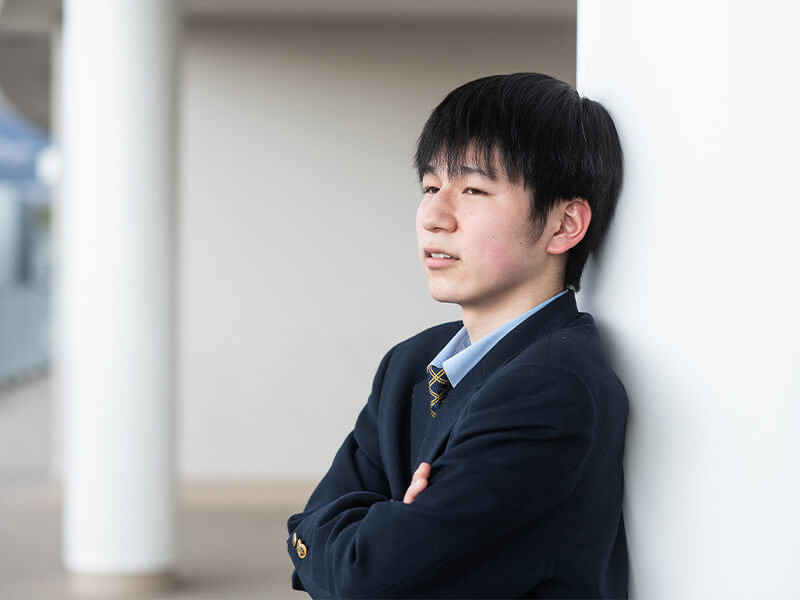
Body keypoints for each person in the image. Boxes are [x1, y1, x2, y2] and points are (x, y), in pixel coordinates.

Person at [286, 72, 628, 598]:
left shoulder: (552, 387)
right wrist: (378, 534)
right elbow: (307, 528)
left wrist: (369, 533)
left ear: (564, 225)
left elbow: (366, 577)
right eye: (429, 187)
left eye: (473, 190)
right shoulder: (410, 363)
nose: (433, 216)